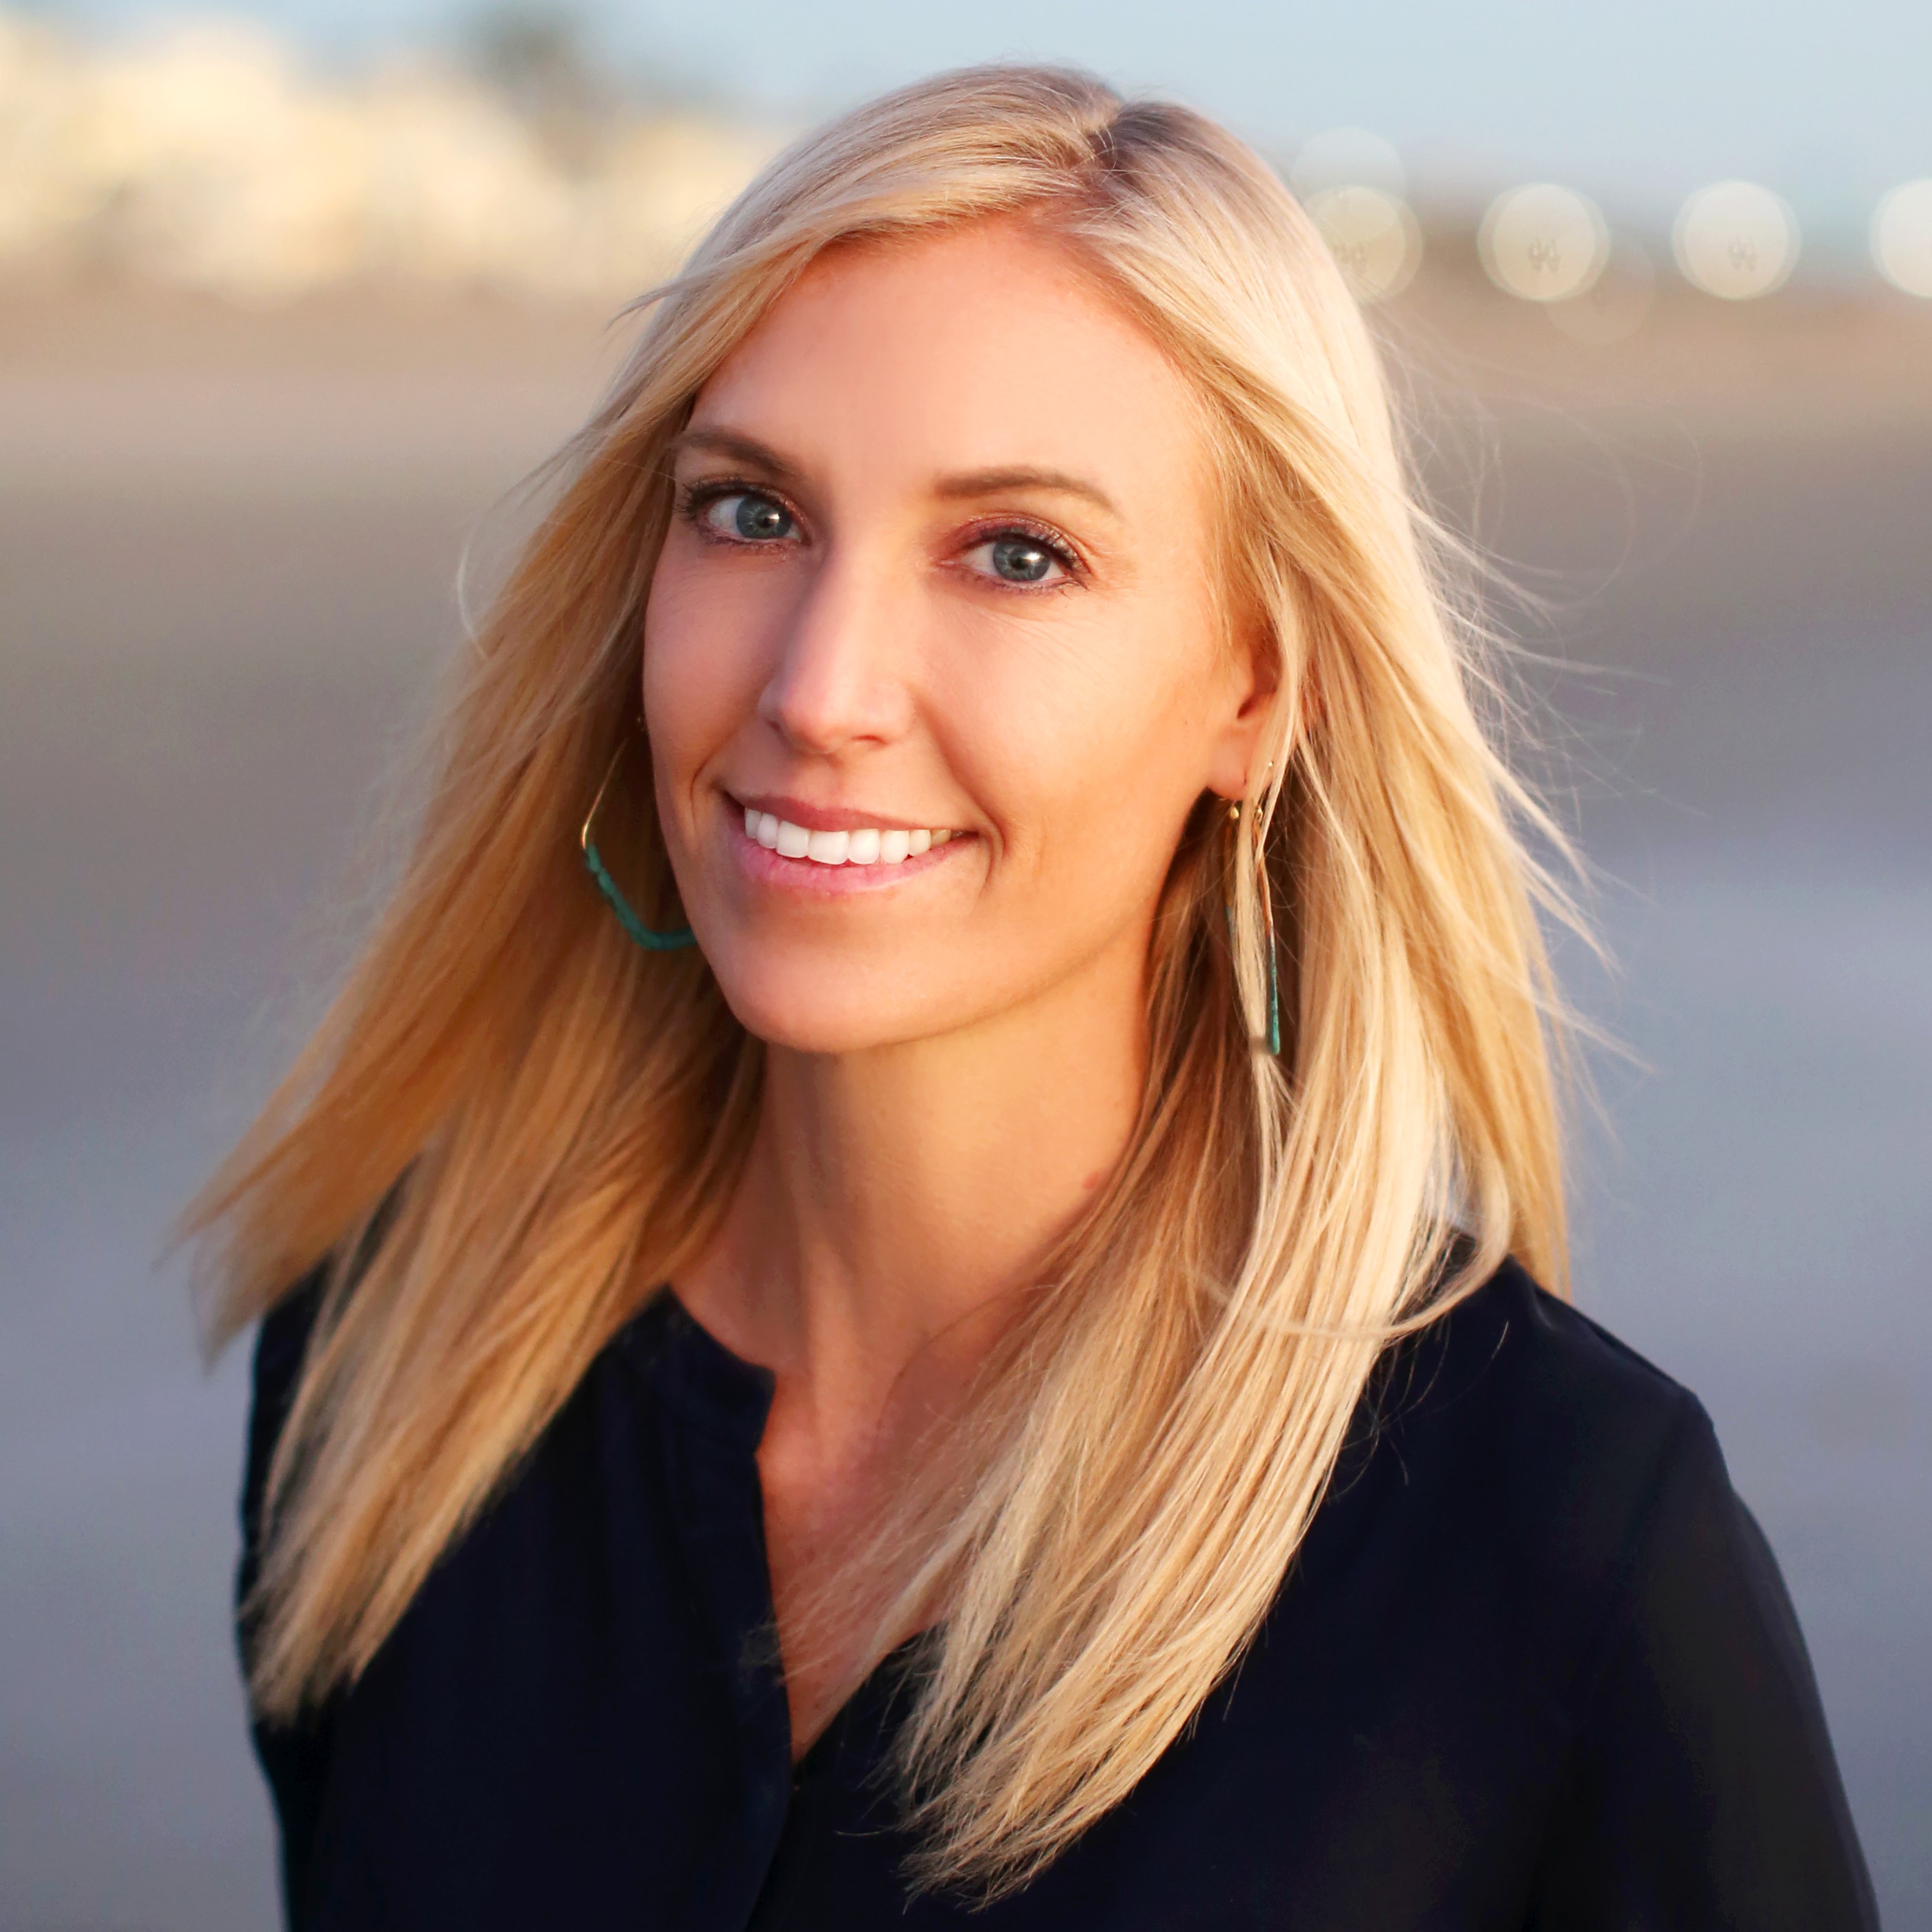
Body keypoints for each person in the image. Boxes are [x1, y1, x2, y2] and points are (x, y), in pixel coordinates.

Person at [188, 64, 1877, 1931]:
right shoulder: (393, 1374)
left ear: (1258, 688)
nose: (822, 689)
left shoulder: (1560, 1553)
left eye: (1018, 554)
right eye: (749, 513)